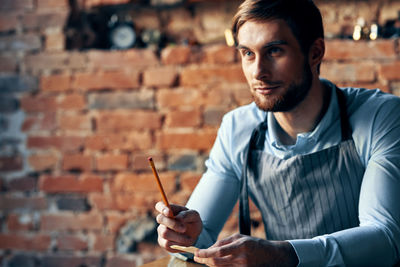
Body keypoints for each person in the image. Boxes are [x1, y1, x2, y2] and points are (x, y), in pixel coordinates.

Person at [155, 0, 400, 266]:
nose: (258, 72)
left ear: (315, 52)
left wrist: (282, 254)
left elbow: (386, 238)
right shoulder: (238, 127)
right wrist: (184, 235)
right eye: (248, 53)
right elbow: (198, 238)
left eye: (274, 51)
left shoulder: (381, 116)